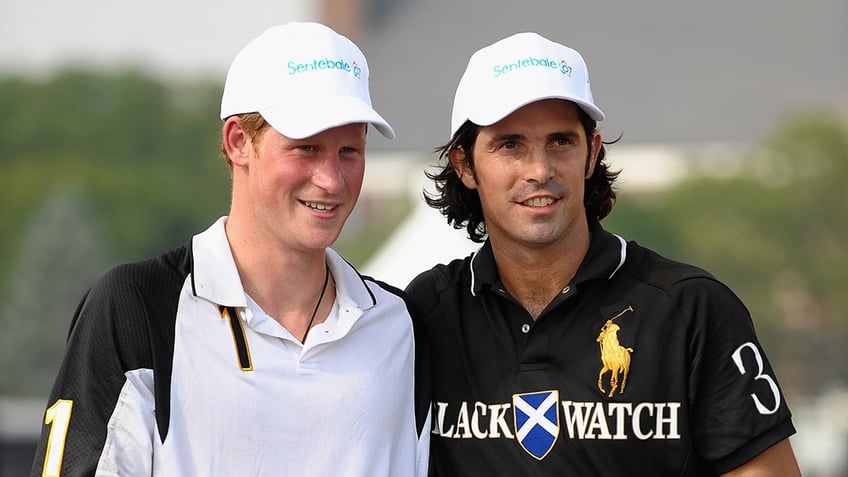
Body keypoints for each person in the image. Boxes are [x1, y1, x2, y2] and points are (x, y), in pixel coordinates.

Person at [31, 21, 428, 476]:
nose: (332, 180)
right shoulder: (137, 308)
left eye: (349, 151)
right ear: (239, 141)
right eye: (306, 149)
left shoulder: (401, 325)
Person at [406, 32, 800, 476]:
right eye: (510, 144)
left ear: (591, 153)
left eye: (560, 142)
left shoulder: (692, 308)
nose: (539, 170)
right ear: (464, 165)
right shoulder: (423, 313)